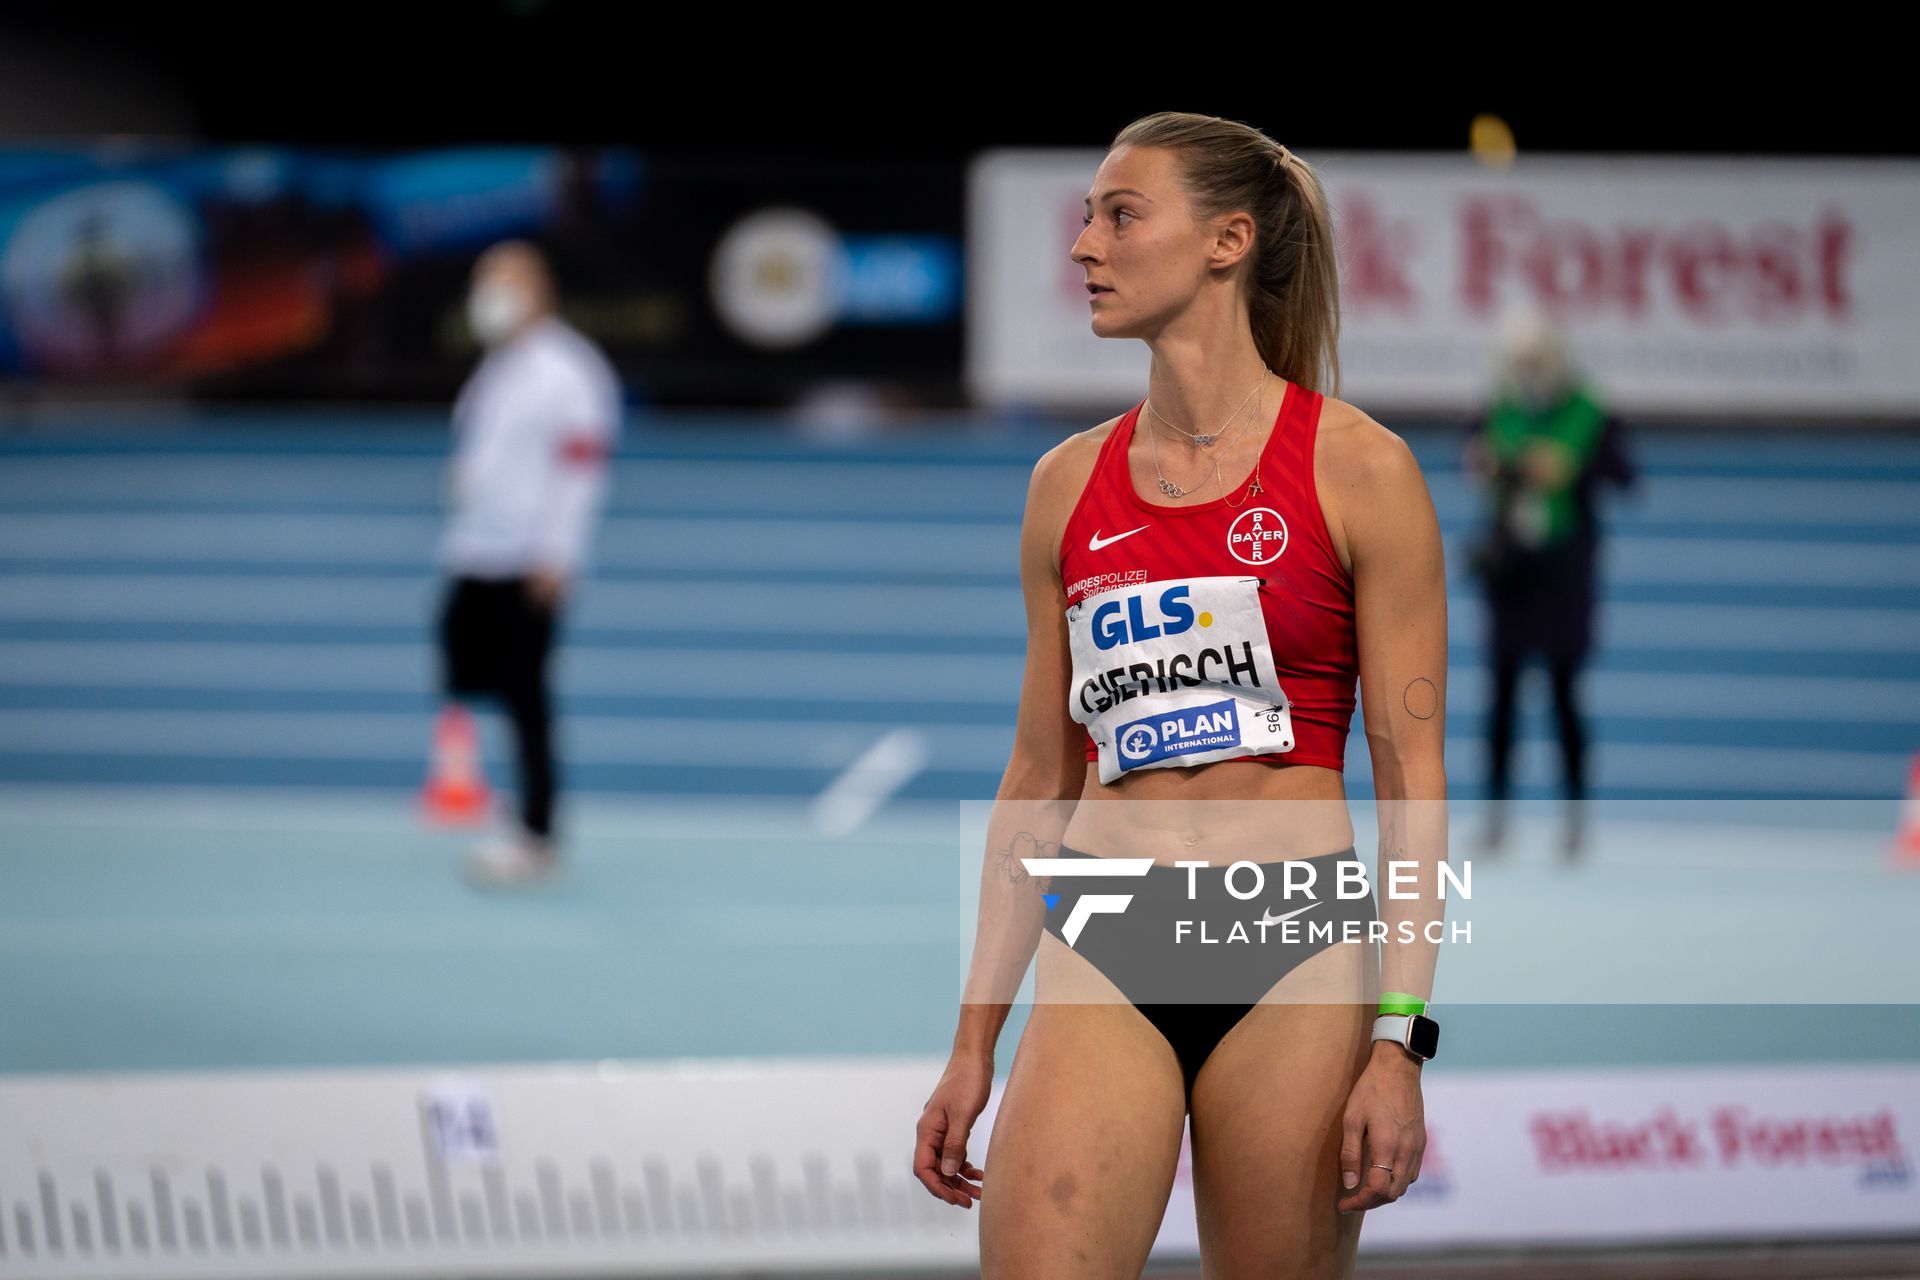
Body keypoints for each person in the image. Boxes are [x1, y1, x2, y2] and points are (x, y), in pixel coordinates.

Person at [913, 114, 1449, 1277]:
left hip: (1291, 943)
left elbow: (1414, 783)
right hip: (1109, 935)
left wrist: (1401, 1044)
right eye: (1087, 214)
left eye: (1119, 213)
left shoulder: (1360, 470)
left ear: (1227, 240)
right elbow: (1040, 775)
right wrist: (972, 1043)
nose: (1081, 245)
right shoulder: (1066, 484)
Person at [433, 240, 620, 886]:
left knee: (526, 698)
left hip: (527, 559)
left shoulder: (569, 372)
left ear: (539, 292)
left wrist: (558, 553)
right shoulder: (497, 364)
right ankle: (504, 804)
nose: (489, 295)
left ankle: (535, 833)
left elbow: (581, 471)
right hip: (477, 548)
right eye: (484, 280)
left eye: (504, 282)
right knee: (466, 671)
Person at [1463, 306, 1635, 858]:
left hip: (1564, 572)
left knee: (1564, 698)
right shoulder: (1502, 406)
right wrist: (1486, 462)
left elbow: (1626, 478)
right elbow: (1474, 455)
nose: (1529, 372)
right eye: (1521, 363)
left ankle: (1575, 824)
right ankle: (1495, 821)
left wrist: (1570, 468)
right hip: (1511, 572)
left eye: (1537, 361)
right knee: (1502, 701)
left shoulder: (1590, 411)